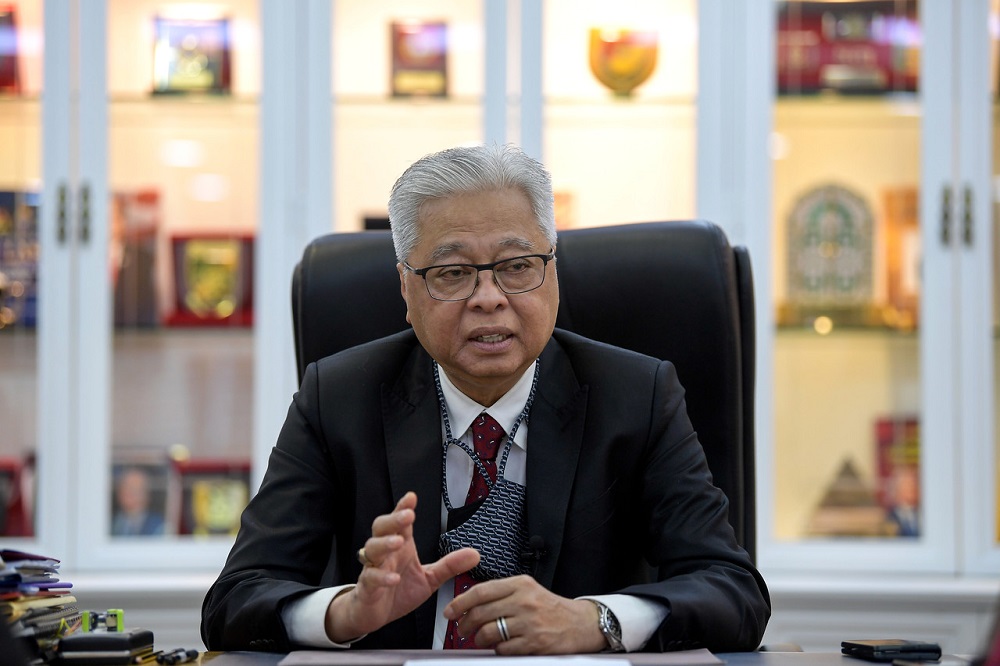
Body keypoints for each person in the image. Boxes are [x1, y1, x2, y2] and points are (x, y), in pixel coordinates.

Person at [201, 143, 770, 654]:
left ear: (553, 272)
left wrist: (592, 620)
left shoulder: (638, 396)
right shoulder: (337, 398)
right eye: (452, 273)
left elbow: (733, 591)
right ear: (406, 288)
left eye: (517, 266)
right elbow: (235, 600)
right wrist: (345, 612)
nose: (489, 298)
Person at [111, 466, 166, 537]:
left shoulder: (159, 527)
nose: (127, 492)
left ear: (146, 494)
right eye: (125, 487)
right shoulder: (113, 523)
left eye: (134, 489)